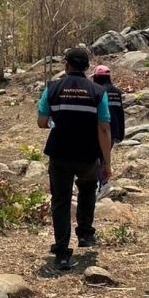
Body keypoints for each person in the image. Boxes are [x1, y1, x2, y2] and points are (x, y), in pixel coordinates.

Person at [37, 48, 114, 270]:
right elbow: (104, 128)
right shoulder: (98, 91)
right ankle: (85, 234)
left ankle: (62, 252)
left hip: (60, 153)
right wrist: (107, 162)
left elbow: (42, 122)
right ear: (87, 67)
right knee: (87, 191)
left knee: (60, 200)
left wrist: (57, 122)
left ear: (66, 64)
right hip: (88, 154)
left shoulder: (52, 88)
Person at [91, 65, 126, 198]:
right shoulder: (116, 92)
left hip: (101, 130)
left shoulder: (98, 91)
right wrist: (120, 132)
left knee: (98, 158)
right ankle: (103, 184)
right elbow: (120, 113)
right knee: (105, 157)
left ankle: (102, 185)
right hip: (114, 130)